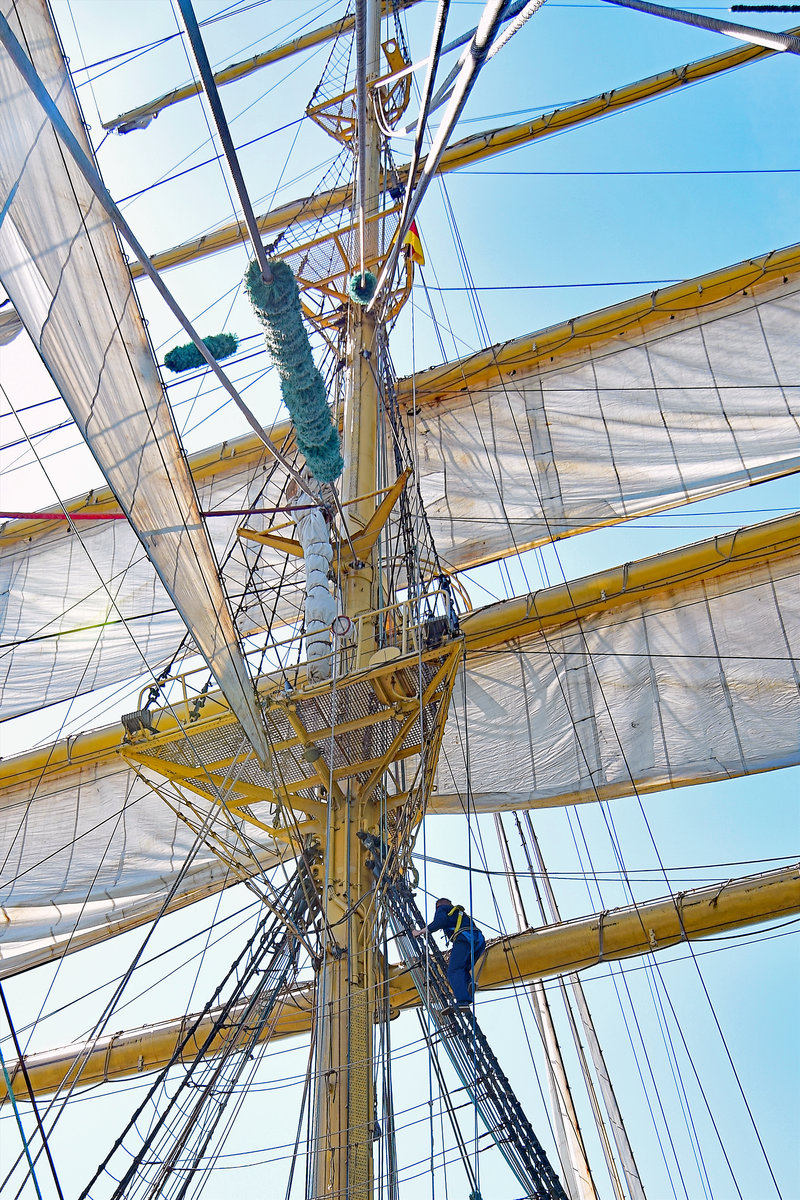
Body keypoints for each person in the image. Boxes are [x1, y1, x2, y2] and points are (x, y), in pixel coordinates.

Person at [414, 898, 486, 1009]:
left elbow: (440, 921)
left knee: (454, 971)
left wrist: (421, 931)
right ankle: (468, 984)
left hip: (464, 939)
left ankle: (462, 1001)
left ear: (438, 906)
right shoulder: (459, 913)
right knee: (463, 969)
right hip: (479, 942)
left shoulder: (442, 909)